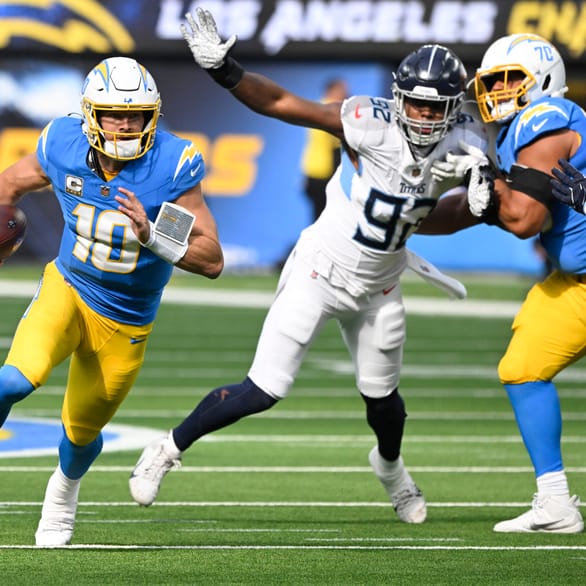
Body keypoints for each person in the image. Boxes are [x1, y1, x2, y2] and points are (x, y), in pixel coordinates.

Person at [129, 8, 488, 524]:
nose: (425, 119)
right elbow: (280, 102)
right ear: (397, 98)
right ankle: (165, 449)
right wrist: (225, 70)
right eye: (416, 105)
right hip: (320, 270)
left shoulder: (471, 144)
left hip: (380, 286)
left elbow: (447, 211)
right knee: (263, 389)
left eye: (437, 111)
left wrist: (486, 199)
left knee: (383, 402)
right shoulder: (369, 122)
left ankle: (390, 469)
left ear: (455, 108)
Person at [0, 56, 224, 546]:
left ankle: (63, 493)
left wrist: (153, 235)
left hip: (127, 319)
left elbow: (210, 258)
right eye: (113, 113)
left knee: (82, 432)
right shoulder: (64, 143)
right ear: (91, 114)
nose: (126, 123)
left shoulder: (169, 168)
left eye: (136, 114)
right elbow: (9, 184)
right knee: (14, 379)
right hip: (68, 289)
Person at [424, 33, 584, 533]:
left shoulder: (547, 119)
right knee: (523, 365)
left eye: (512, 79)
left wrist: (485, 184)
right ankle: (556, 502)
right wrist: (404, 216)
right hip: (575, 282)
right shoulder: (515, 133)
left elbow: (525, 219)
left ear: (544, 81)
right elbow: (472, 211)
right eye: (492, 82)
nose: (499, 91)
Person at [300, 78, 348, 221]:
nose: (346, 94)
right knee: (324, 219)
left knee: (319, 217)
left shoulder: (316, 107)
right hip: (324, 172)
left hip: (312, 169)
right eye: (342, 91)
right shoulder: (330, 113)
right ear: (331, 91)